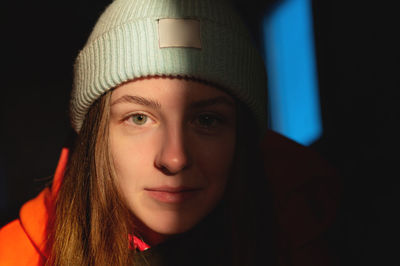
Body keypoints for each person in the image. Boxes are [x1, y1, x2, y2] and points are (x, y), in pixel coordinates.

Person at [0, 0, 341, 265]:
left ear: (242, 139)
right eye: (138, 118)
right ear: (94, 137)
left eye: (206, 120)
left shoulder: (314, 244)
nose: (174, 158)